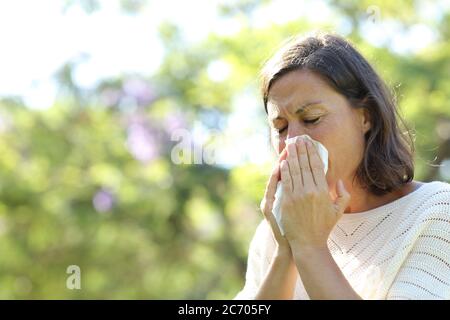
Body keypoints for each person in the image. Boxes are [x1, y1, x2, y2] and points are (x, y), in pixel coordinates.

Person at [234, 32, 450, 300]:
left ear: (365, 117)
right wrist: (288, 249)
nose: (292, 142)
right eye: (280, 127)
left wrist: (310, 247)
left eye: (312, 119)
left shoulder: (436, 211)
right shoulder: (273, 231)